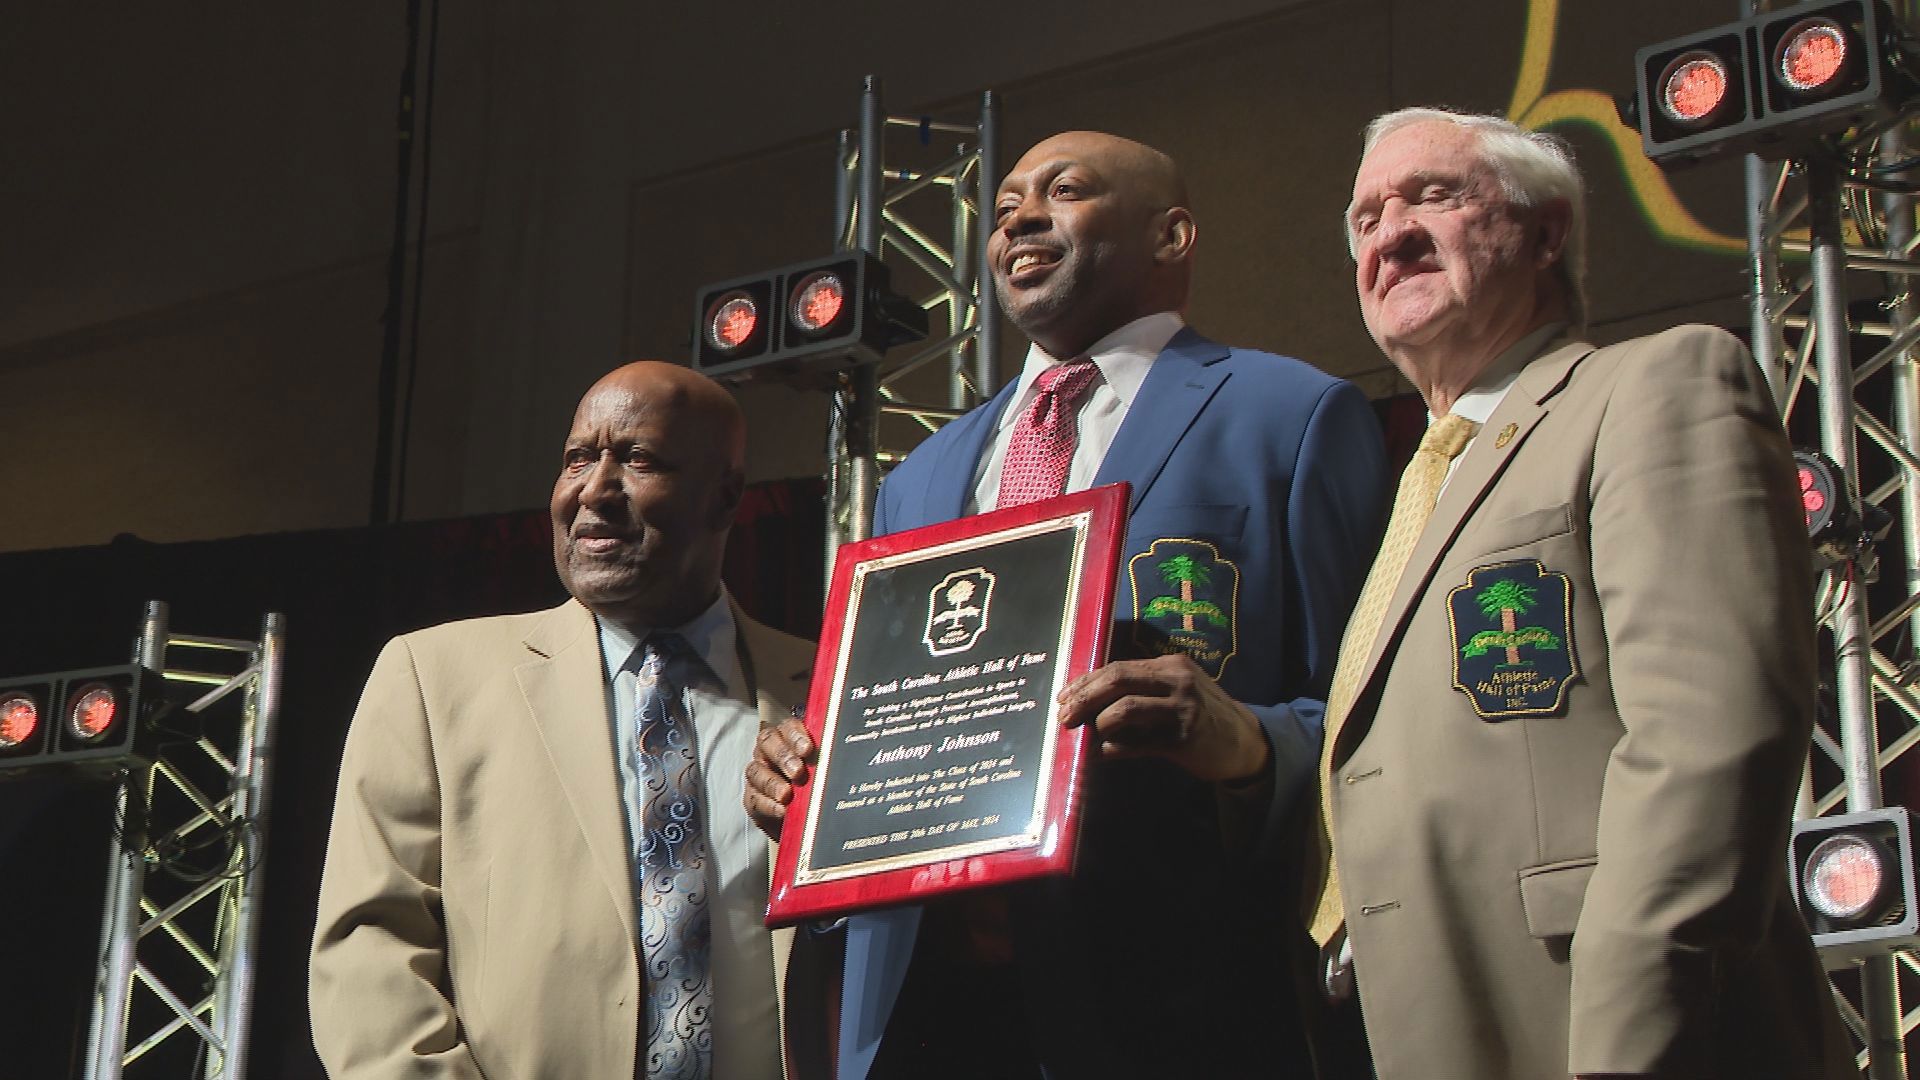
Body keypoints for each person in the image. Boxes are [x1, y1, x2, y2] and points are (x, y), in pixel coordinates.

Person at [748, 130, 1388, 1079]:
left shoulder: (1292, 414)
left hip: (1169, 994)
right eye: (1003, 205)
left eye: (1065, 190)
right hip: (926, 1001)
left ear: (1171, 236)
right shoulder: (920, 477)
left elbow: (1369, 719)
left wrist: (1245, 744)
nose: (1019, 218)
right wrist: (809, 778)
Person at [1311, 107, 1852, 1078]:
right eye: (1365, 218)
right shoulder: (1417, 491)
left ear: (1547, 231)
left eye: (1434, 195)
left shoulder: (1651, 388)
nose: (1390, 234)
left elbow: (1704, 747)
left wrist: (1624, 1046)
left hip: (1608, 1031)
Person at [311, 361, 822, 1079]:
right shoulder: (433, 680)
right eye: (579, 458)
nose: (594, 490)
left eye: (638, 459)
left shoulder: (827, 689)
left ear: (725, 496)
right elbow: (371, 953)